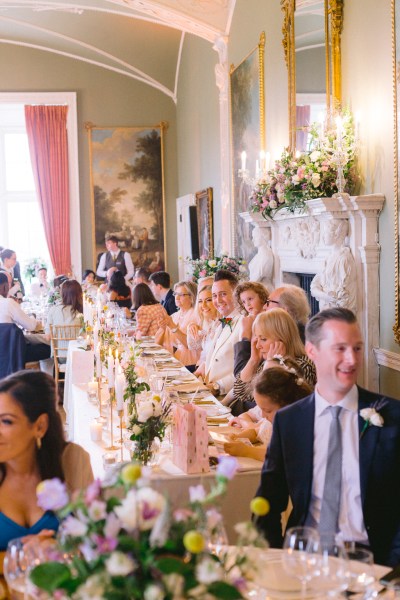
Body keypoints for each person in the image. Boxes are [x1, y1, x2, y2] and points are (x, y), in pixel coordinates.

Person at [254, 308, 400, 567]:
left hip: (372, 562)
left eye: (356, 348)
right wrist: (275, 560)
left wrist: (391, 571)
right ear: (312, 351)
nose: (352, 360)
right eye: (340, 348)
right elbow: (266, 502)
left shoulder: (392, 416)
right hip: (304, 557)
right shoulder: (290, 421)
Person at [0, 370, 93, 551]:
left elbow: (95, 539)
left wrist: (60, 548)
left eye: (6, 422)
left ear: (40, 426)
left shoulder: (71, 460)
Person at [232, 308, 316, 415]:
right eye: (256, 339)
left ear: (282, 338)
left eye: (263, 339)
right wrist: (254, 360)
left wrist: (270, 366)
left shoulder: (302, 366)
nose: (258, 346)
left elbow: (275, 406)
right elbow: (240, 393)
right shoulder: (270, 360)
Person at [224, 364, 311, 461]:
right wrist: (238, 437)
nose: (263, 416)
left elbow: (278, 455)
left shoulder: (296, 428)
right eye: (261, 409)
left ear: (288, 405)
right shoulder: (271, 423)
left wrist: (247, 451)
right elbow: (256, 432)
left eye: (268, 411)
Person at [199, 269, 242, 396]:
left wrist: (218, 386)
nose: (218, 300)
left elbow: (244, 369)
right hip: (210, 391)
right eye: (214, 295)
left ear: (236, 294)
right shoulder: (222, 323)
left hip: (228, 397)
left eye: (223, 294)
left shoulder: (244, 323)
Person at [0, 273, 50, 363]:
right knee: (47, 348)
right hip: (12, 352)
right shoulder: (8, 303)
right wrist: (32, 316)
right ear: (5, 287)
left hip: (3, 355)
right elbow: (31, 326)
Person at [310, 219, 357, 313]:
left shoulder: (344, 259)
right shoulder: (328, 258)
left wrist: (323, 295)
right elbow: (314, 286)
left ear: (336, 234)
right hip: (325, 308)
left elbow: (344, 295)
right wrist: (325, 296)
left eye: (326, 232)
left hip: (337, 313)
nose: (323, 236)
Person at [155, 280, 199, 368]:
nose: (177, 298)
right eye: (176, 294)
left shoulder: (196, 316)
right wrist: (163, 328)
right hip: (176, 359)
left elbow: (190, 344)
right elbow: (157, 343)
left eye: (181, 295)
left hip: (192, 362)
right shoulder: (174, 316)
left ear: (192, 297)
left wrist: (172, 326)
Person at [45, 280, 83, 359]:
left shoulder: (53, 310)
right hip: (79, 357)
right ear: (80, 294)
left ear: (62, 294)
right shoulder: (84, 312)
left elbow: (47, 337)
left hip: (60, 356)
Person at [187, 284, 220, 367]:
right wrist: (191, 327)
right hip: (200, 367)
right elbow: (193, 346)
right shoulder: (207, 322)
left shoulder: (223, 323)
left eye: (208, 300)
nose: (203, 305)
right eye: (200, 301)